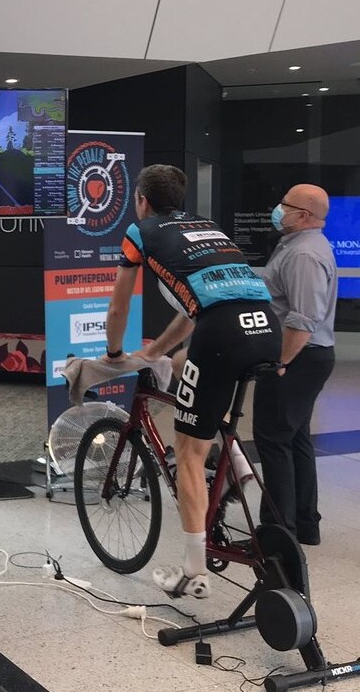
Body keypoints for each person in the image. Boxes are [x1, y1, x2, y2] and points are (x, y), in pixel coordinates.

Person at [103, 164, 280, 599]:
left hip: (222, 336)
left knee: (187, 451)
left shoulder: (141, 232)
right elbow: (192, 311)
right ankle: (235, 460)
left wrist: (114, 354)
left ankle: (193, 572)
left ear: (141, 200)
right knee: (184, 363)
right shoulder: (207, 226)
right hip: (265, 329)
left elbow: (118, 308)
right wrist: (156, 352)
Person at [253, 184, 337, 546]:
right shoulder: (297, 244)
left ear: (303, 215)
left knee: (272, 440)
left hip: (297, 357)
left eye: (284, 204)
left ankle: (277, 533)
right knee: (295, 437)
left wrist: (281, 361)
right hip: (304, 357)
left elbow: (303, 319)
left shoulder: (304, 254)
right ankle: (304, 524)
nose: (278, 209)